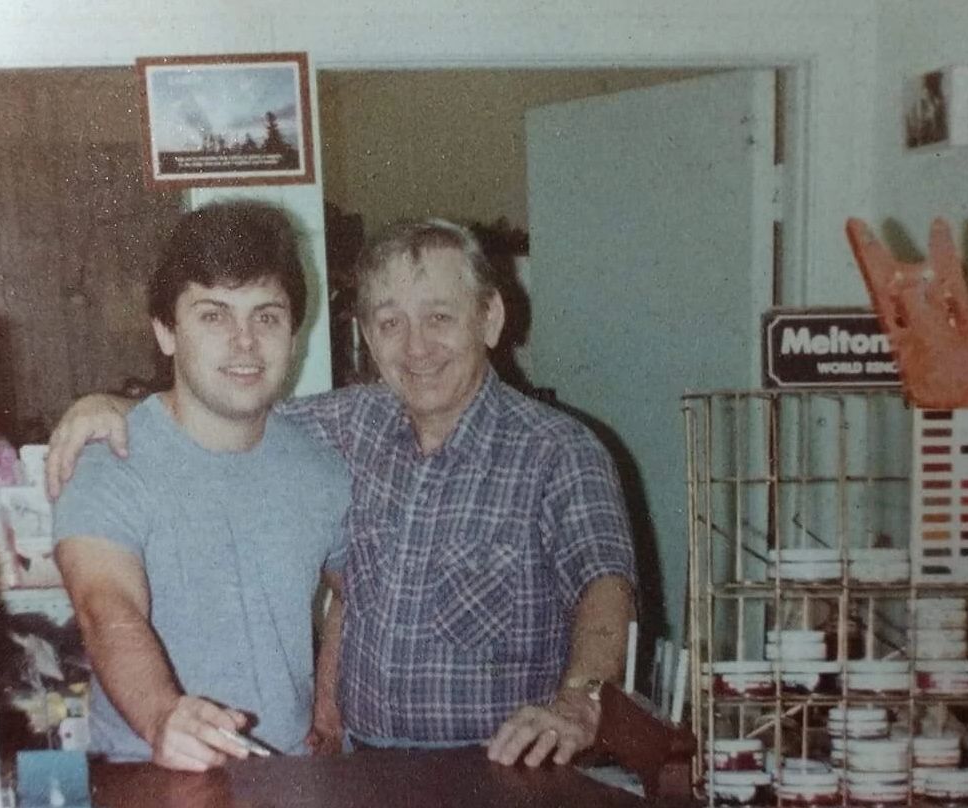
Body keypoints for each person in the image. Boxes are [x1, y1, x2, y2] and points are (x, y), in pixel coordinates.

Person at [48, 218, 637, 768]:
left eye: (439, 318)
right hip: (350, 769)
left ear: (489, 318)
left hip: (497, 770)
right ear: (367, 336)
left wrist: (580, 701)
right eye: (390, 323)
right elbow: (222, 413)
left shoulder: (561, 450)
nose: (415, 347)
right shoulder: (350, 426)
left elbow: (605, 586)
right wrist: (116, 407)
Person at [51, 201, 351, 771]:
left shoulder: (322, 468)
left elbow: (356, 587)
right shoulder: (109, 457)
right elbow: (105, 606)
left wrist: (328, 706)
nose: (244, 342)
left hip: (285, 772)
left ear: (294, 332)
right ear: (166, 331)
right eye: (214, 315)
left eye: (266, 316)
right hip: (149, 768)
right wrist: (164, 714)